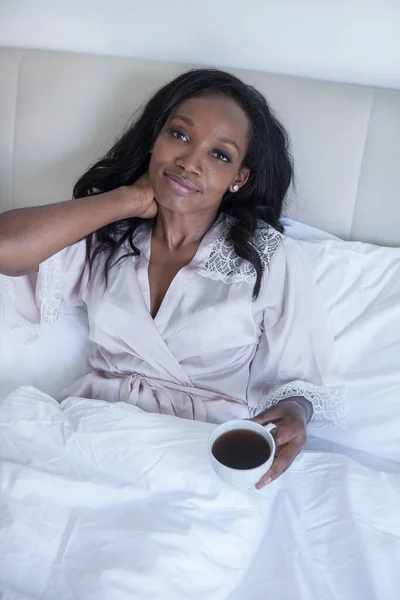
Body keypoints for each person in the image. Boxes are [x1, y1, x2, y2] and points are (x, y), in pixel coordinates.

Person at [0, 69, 345, 489]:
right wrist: (129, 199)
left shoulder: (268, 256)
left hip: (199, 454)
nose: (189, 162)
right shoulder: (108, 236)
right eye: (179, 135)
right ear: (154, 140)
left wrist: (295, 413)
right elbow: (6, 248)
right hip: (90, 435)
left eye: (220, 155)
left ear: (239, 178)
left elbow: (301, 381)